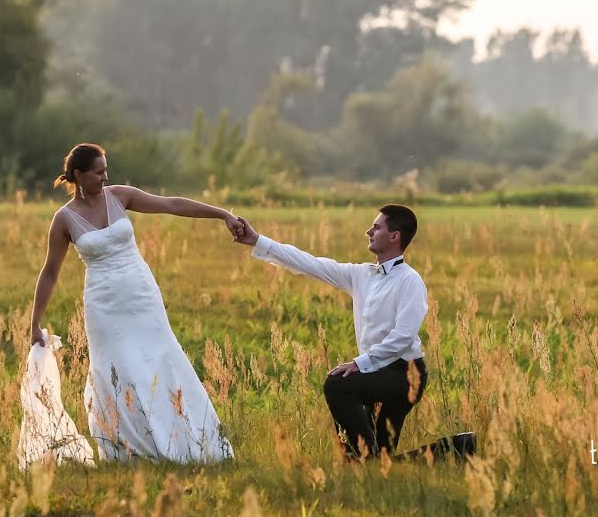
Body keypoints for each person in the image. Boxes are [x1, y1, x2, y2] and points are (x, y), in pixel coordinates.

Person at [29, 143, 238, 463]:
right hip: (103, 303)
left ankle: (185, 436)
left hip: (141, 293)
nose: (105, 177)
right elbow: (50, 273)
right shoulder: (64, 220)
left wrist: (222, 214)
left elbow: (171, 204)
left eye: (106, 171)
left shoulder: (120, 195)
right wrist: (34, 322)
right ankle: (130, 448)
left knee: (159, 357)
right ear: (78, 175)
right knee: (118, 368)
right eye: (98, 172)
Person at [233, 206, 428, 459]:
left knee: (339, 384)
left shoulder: (410, 280)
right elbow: (310, 264)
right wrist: (257, 240)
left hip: (405, 373)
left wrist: (360, 363)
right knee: (385, 459)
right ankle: (460, 447)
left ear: (394, 236)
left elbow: (403, 336)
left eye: (376, 227)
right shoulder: (361, 275)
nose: (368, 231)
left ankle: (359, 458)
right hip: (378, 370)